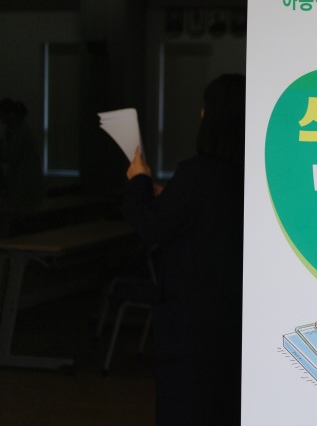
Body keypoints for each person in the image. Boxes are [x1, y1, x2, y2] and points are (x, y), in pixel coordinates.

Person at [122, 75, 245, 425]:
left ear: (212, 117)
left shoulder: (197, 174)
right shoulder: (252, 173)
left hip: (193, 318)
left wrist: (138, 181)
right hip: (234, 314)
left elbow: (152, 226)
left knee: (187, 403)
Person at [0, 98, 45, 207]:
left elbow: (11, 157)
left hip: (22, 183)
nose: (1, 119)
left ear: (10, 114)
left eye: (2, 115)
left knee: (20, 210)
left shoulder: (17, 131)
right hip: (26, 181)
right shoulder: (21, 128)